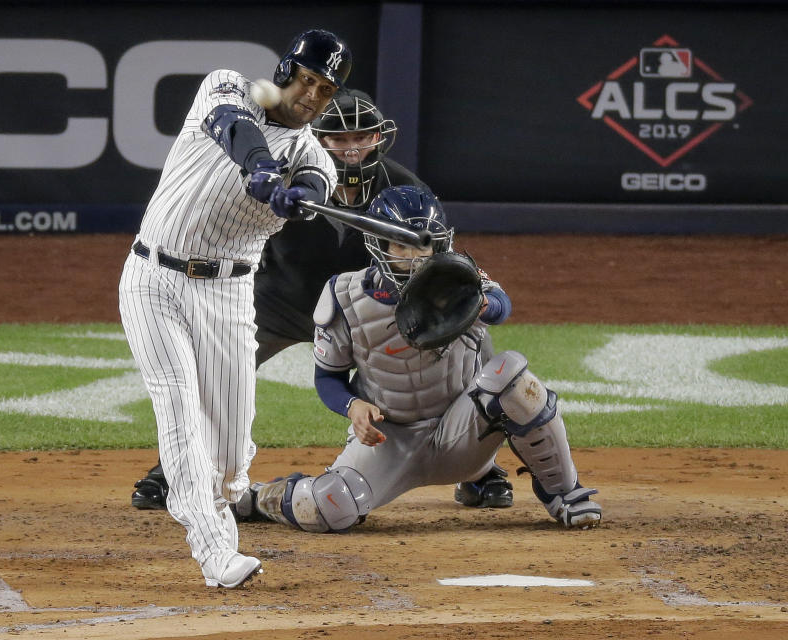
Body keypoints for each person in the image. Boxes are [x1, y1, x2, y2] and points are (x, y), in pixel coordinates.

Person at [130, 90, 513, 512]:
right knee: (214, 376)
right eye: (338, 139)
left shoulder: (405, 189)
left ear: (379, 138)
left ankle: (482, 470)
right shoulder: (290, 174)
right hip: (281, 299)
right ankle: (173, 469)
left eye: (361, 138)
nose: (352, 149)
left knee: (467, 341)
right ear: (317, 137)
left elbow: (436, 261)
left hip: (364, 307)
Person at [118, 29, 351, 588]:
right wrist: (263, 172)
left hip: (227, 297)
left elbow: (317, 182)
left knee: (229, 460)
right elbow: (237, 131)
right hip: (153, 280)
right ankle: (216, 550)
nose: (312, 94)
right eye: (307, 79)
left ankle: (217, 497)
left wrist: (302, 197)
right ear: (286, 70)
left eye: (326, 88)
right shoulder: (226, 86)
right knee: (179, 411)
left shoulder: (316, 157)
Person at [231, 186, 603, 534]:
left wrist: (477, 302)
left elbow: (501, 307)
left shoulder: (461, 279)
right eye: (401, 246)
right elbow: (327, 377)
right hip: (390, 441)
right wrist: (353, 405)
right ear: (378, 244)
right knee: (328, 507)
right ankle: (262, 499)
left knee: (513, 377)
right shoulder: (343, 296)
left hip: (462, 433)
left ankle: (563, 493)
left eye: (422, 247)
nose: (413, 258)